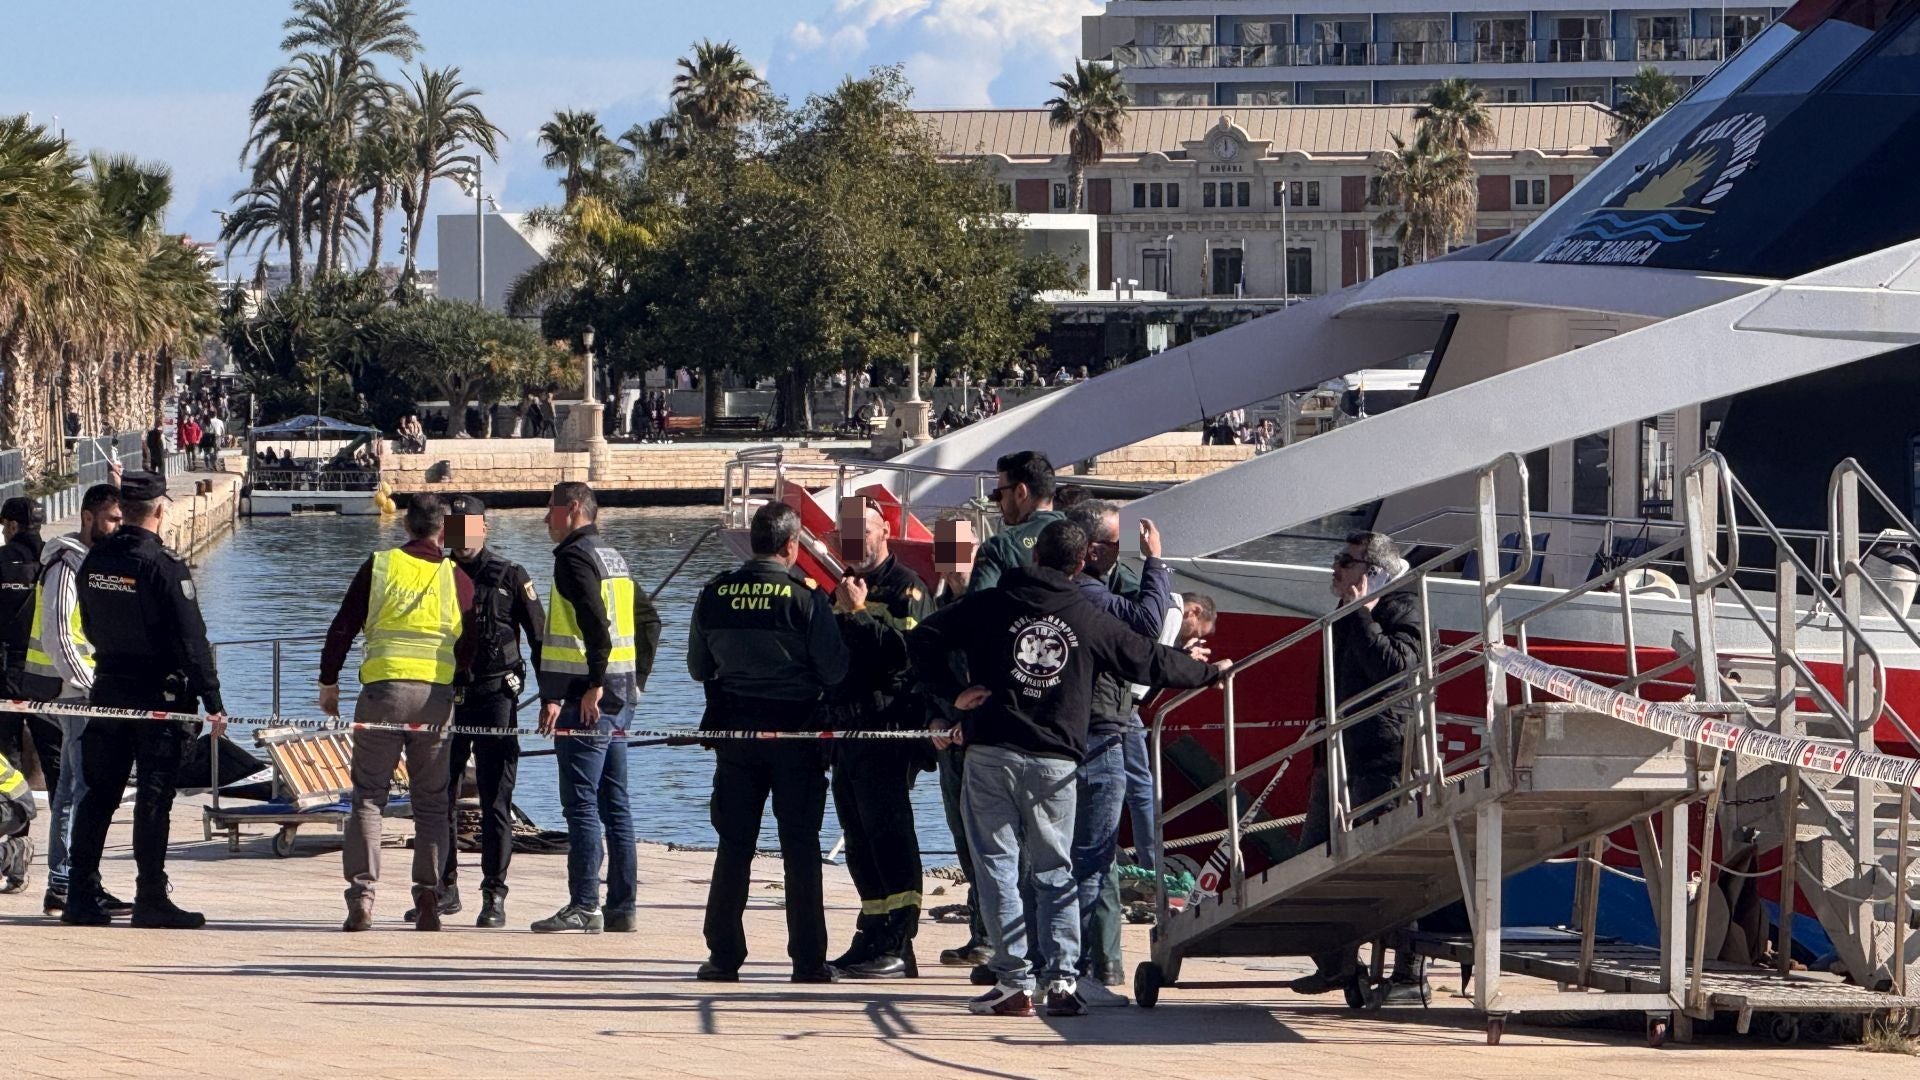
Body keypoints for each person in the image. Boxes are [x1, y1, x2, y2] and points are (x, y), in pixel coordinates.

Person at [910, 520, 1227, 1018]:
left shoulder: (991, 604)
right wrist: (1208, 674)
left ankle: (1013, 981)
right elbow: (1147, 660)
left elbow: (924, 637)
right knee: (1056, 869)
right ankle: (1060, 982)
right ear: (1080, 565)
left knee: (998, 869)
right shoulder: (1087, 615)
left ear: (1034, 559)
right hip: (1056, 760)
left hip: (991, 749)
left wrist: (950, 700)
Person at [688, 501, 848, 983]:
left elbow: (699, 668)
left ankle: (723, 956)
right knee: (800, 847)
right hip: (796, 735)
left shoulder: (714, 593)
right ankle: (807, 960)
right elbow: (834, 670)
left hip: (735, 735)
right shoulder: (806, 598)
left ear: (754, 542)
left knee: (733, 845)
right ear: (792, 546)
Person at [64, 472, 224, 928]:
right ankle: (150, 895)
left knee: (99, 795)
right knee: (154, 798)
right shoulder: (163, 564)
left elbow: (90, 625)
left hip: (109, 688)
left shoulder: (95, 559)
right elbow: (193, 638)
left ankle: (80, 894)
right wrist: (212, 698)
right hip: (159, 695)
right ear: (159, 510)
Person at [319, 494, 475, 932]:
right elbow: (470, 645)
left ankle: (362, 898)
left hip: (382, 692)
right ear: (443, 532)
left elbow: (344, 625)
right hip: (434, 699)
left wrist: (328, 681)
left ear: (406, 526)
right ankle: (428, 896)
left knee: (369, 796)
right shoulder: (457, 577)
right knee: (430, 802)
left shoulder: (380, 565)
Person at [1288, 531, 1422, 995]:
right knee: (1311, 860)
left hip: (1381, 754)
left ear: (1376, 571)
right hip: (1338, 749)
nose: (1336, 568)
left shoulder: (1403, 603)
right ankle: (1338, 962)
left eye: (1346, 561)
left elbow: (1397, 667)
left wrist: (1365, 615)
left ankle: (1409, 974)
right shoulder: (1348, 608)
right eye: (1337, 558)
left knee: (1390, 866)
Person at [1062, 501, 1179, 1002]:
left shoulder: (1082, 587)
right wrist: (1156, 563)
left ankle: (1075, 965)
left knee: (1077, 855)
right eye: (1116, 543)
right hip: (1100, 728)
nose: (1122, 550)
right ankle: (1083, 970)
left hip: (1085, 726)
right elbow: (1148, 627)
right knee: (1091, 856)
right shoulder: (1089, 592)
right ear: (1089, 550)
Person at [533, 482, 661, 934]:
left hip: (589, 703)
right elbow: (649, 620)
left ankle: (585, 904)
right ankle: (622, 907)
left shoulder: (572, 558)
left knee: (582, 804)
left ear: (571, 509)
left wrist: (592, 686)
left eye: (549, 508)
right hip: (618, 698)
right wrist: (634, 682)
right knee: (616, 804)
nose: (544, 518)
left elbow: (594, 625)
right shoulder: (612, 555)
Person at [415, 495, 544, 929]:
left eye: (470, 527)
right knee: (439, 799)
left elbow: (541, 641)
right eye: (455, 528)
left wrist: (552, 698)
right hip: (445, 698)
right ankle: (444, 888)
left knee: (494, 800)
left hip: (495, 699)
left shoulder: (509, 575)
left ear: (484, 529)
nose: (463, 537)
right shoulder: (433, 574)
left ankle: (494, 894)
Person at [826, 501, 935, 979]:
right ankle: (871, 929)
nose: (856, 542)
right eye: (846, 534)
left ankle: (900, 938)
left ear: (885, 531)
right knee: (857, 837)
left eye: (863, 531)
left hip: (888, 727)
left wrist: (856, 615)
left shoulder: (905, 588)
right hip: (844, 730)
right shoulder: (839, 586)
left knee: (889, 833)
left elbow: (903, 659)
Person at [20, 484, 123, 917]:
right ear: (87, 516)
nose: (119, 526)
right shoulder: (66, 564)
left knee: (69, 786)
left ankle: (66, 879)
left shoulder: (90, 562)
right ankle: (70, 880)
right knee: (81, 787)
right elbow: (59, 633)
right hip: (74, 692)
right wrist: (89, 687)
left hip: (78, 690)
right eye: (113, 519)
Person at [1124, 593, 1217, 877]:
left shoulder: (1155, 603)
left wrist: (1181, 655)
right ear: (1194, 611)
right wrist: (1201, 670)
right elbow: (1151, 672)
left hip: (1116, 706)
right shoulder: (1172, 614)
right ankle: (1151, 864)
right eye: (1198, 631)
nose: (1192, 638)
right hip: (1122, 710)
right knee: (1141, 787)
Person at [969, 450, 1065, 593]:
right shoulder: (1083, 535)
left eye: (998, 494)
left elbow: (977, 608)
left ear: (1021, 492)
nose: (996, 502)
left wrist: (955, 592)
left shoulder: (999, 547)